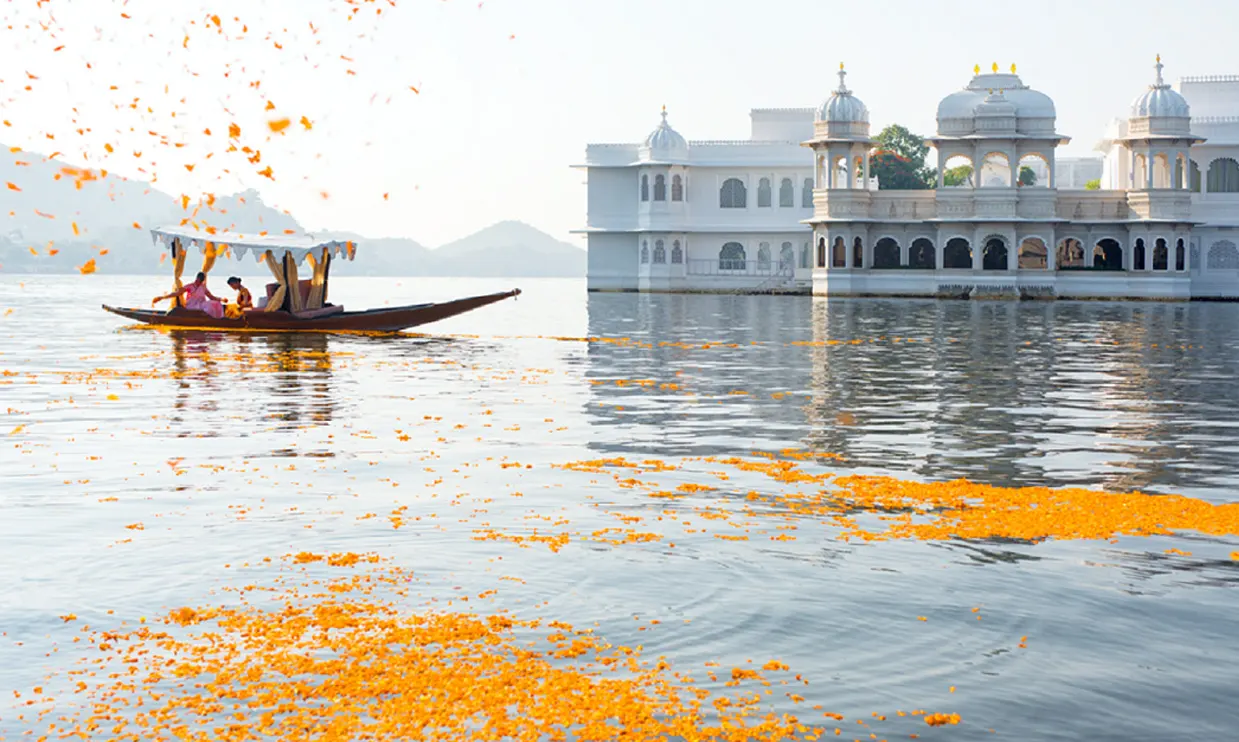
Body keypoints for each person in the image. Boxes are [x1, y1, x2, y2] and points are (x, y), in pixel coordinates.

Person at [152, 272, 225, 319]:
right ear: (196, 278)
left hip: (202, 304)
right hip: (191, 305)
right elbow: (177, 293)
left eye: (200, 282)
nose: (198, 283)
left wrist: (221, 299)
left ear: (203, 281)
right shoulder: (189, 286)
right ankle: (209, 319)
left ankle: (217, 319)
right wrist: (162, 297)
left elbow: (211, 297)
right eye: (198, 280)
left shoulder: (203, 287)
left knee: (216, 303)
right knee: (208, 306)